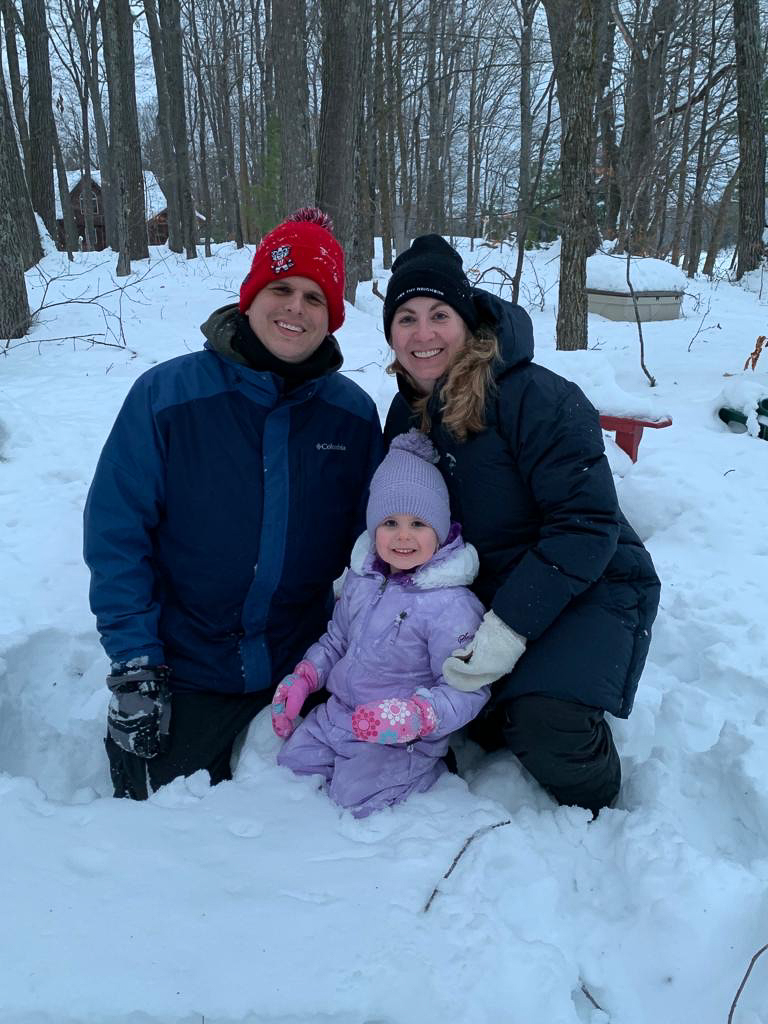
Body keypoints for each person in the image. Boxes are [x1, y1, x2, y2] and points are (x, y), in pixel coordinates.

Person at [83, 208, 383, 800]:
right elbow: (118, 533)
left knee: (335, 824)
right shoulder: (166, 397)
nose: (295, 307)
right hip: (188, 664)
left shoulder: (351, 416)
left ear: (334, 318)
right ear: (250, 297)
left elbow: (370, 550)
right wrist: (136, 662)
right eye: (281, 288)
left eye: (314, 298)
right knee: (161, 816)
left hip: (304, 664)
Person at [381, 235, 661, 816]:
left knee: (542, 722)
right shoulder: (405, 413)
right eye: (406, 318)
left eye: (439, 314)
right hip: (478, 595)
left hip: (589, 583)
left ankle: (601, 805)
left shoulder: (540, 399)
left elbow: (585, 525)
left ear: (468, 320)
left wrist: (507, 629)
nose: (423, 333)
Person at [272, 429, 488, 817]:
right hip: (338, 715)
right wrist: (306, 677)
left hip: (400, 737)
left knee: (355, 801)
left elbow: (468, 686)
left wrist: (418, 717)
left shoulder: (451, 604)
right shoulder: (363, 579)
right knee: (289, 772)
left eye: (418, 524)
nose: (403, 536)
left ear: (439, 529)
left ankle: (424, 774)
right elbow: (337, 638)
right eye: (390, 522)